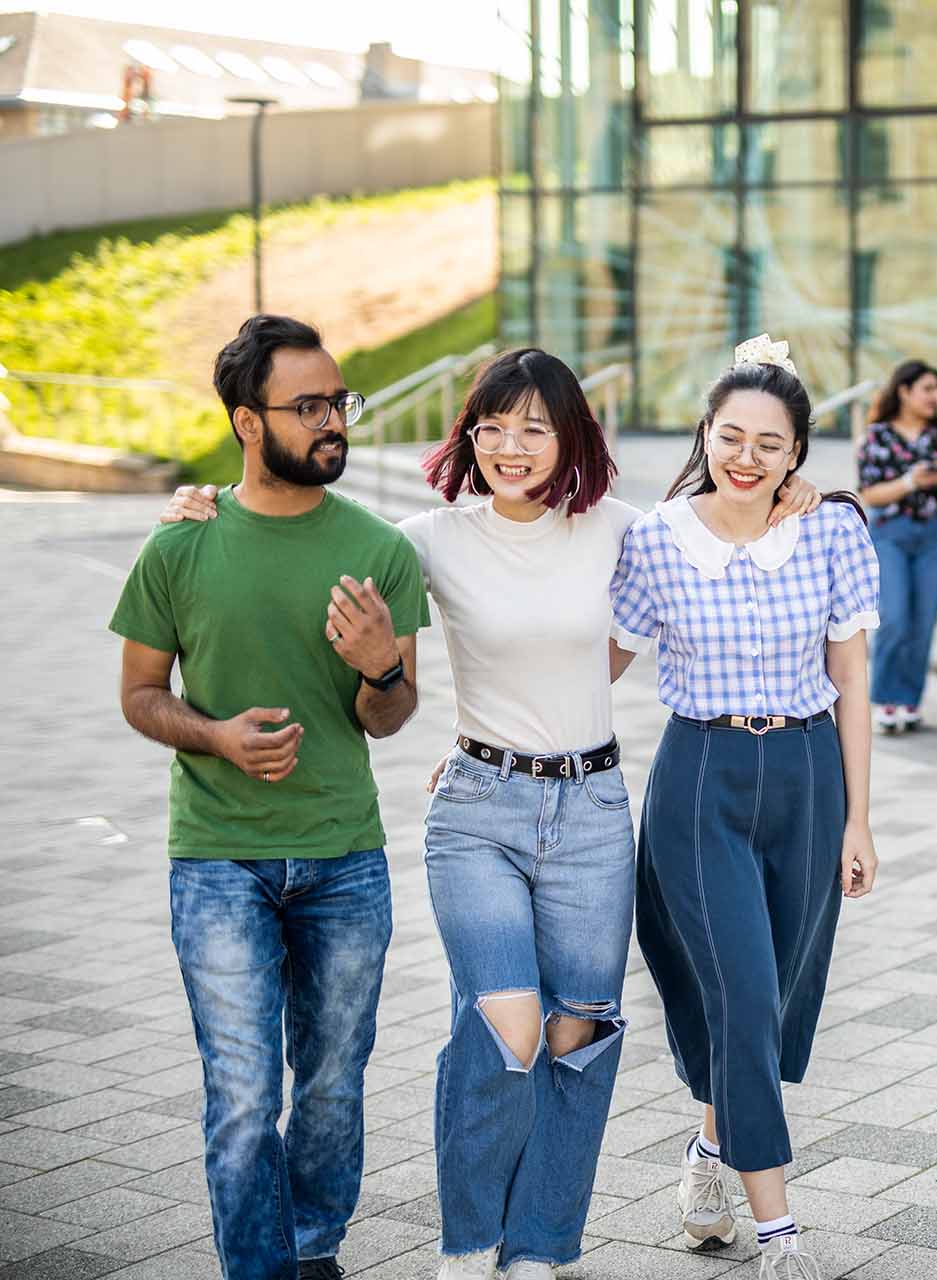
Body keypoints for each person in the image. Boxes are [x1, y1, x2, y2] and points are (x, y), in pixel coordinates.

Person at [156, 349, 820, 1280]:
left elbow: (723, 522)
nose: (512, 447)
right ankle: (468, 1246)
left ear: (570, 437)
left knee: (578, 1035)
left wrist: (796, 494)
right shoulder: (429, 538)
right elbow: (307, 535)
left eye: (535, 428)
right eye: (492, 428)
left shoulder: (623, 531)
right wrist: (210, 506)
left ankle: (539, 1251)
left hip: (592, 810)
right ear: (469, 436)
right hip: (478, 810)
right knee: (506, 1025)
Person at [110, 315, 430, 1280]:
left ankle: (313, 1248)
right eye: (309, 407)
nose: (334, 422)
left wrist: (379, 666)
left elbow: (391, 716)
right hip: (216, 859)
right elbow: (139, 694)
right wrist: (216, 737)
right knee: (244, 1097)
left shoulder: (380, 549)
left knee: (331, 1086)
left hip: (344, 859)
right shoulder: (179, 548)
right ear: (248, 422)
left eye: (340, 402)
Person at [609, 335, 879, 1280]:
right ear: (705, 434)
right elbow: (596, 662)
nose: (747, 458)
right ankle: (780, 1234)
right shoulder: (655, 538)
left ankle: (709, 1149)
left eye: (771, 443)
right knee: (745, 992)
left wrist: (858, 818)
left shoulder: (832, 532)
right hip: (700, 779)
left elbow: (853, 679)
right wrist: (485, 730)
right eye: (731, 437)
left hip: (807, 775)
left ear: (797, 452)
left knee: (776, 996)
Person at [855, 360, 937, 733]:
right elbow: (869, 494)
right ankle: (886, 698)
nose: (934, 397)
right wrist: (911, 481)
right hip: (890, 533)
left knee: (924, 621)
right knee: (895, 617)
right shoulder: (876, 436)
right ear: (904, 391)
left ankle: (910, 699)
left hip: (934, 534)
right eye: (927, 389)